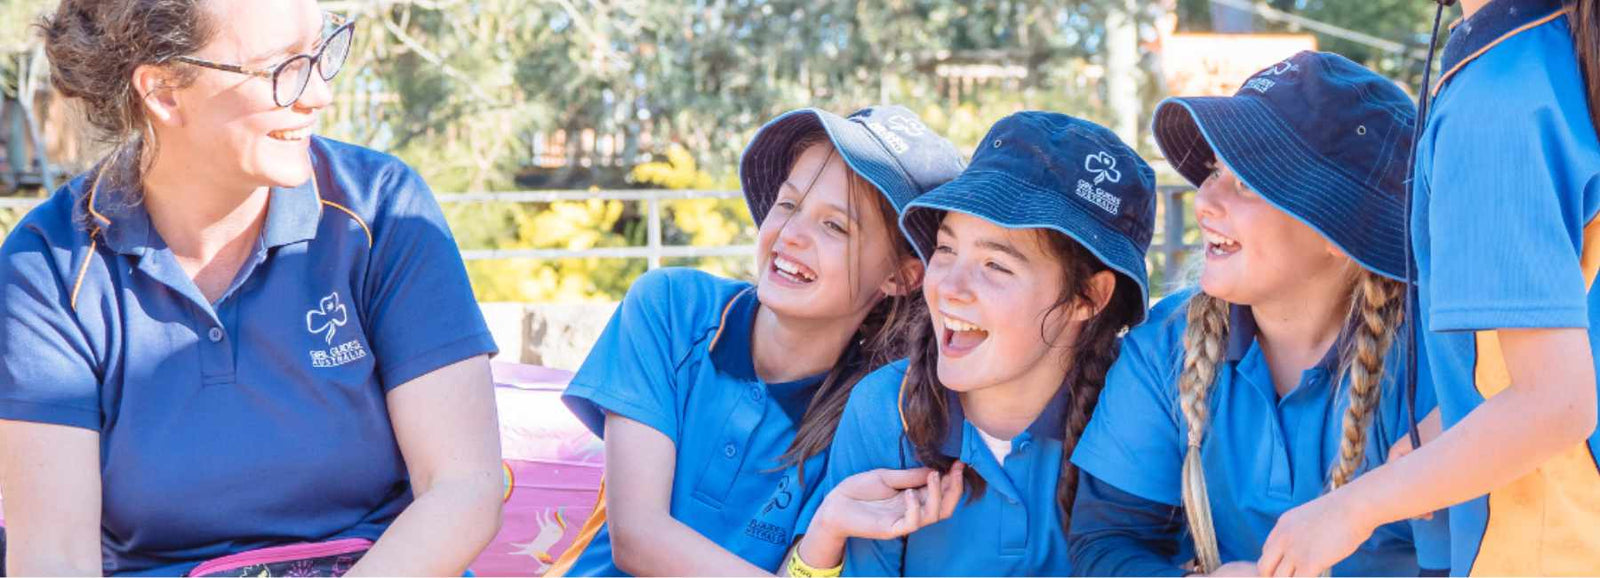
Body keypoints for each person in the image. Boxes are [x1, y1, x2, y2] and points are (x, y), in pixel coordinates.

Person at [0, 0, 504, 575]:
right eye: (280, 68)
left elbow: (463, 487)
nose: (320, 95)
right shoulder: (48, 269)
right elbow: (54, 559)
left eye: (320, 51)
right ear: (163, 92)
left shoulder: (381, 211)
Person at [1069, 51, 1448, 576]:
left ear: (1342, 229)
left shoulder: (1438, 356)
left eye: (1247, 181)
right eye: (1213, 171)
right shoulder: (1163, 345)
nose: (1204, 201)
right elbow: (1108, 540)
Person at [549, 105, 966, 576]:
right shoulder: (672, 308)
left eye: (834, 226)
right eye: (788, 205)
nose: (790, 234)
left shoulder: (874, 413)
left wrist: (825, 531)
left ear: (899, 276)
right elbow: (638, 538)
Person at [1258, 1, 1600, 575]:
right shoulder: (1554, 59)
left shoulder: (1497, 98)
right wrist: (1455, 422)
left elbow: (1557, 404)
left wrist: (1351, 508)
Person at [787, 112, 1154, 576]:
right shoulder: (886, 406)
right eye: (945, 249)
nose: (949, 287)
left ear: (1088, 296)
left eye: (996, 265)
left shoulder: (1143, 414)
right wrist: (824, 539)